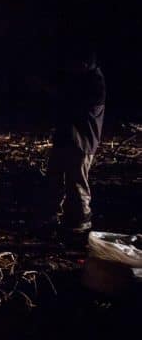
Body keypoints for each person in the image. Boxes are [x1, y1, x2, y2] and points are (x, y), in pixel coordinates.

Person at [45, 43, 105, 233]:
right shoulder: (82, 79)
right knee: (56, 176)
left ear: (85, 63)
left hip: (82, 141)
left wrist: (58, 95)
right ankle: (55, 214)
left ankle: (81, 221)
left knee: (77, 182)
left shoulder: (95, 83)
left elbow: (77, 106)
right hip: (69, 138)